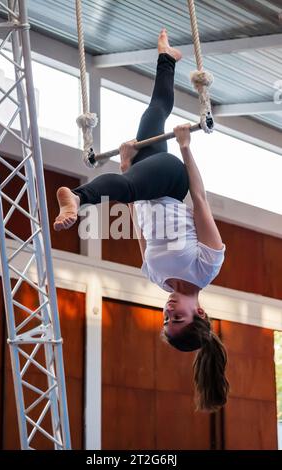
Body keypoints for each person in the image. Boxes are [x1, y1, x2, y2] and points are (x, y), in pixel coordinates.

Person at [53, 29, 229, 412]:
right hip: (170, 179)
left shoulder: (154, 275)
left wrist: (126, 164)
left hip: (142, 186)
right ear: (198, 312)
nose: (168, 311)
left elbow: (140, 226)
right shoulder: (207, 264)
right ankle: (77, 199)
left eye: (166, 320)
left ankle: (167, 59)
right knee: (132, 184)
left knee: (154, 113)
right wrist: (185, 148)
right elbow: (199, 199)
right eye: (177, 316)